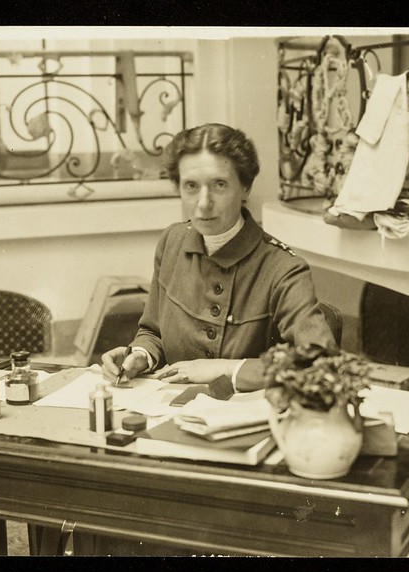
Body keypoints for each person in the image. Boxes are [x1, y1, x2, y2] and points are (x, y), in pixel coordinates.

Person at [101, 123, 337, 391]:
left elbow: (322, 362)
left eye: (219, 185)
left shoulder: (283, 268)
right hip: (170, 409)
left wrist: (227, 368)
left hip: (248, 419)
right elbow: (153, 331)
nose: (203, 203)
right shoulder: (172, 242)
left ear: (245, 188)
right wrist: (141, 355)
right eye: (191, 186)